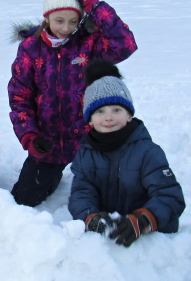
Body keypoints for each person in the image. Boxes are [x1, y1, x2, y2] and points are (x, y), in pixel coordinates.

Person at [8, 0, 137, 207]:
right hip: (47, 143)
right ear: (47, 16)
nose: (66, 28)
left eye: (73, 21)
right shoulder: (31, 48)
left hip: (88, 140)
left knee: (111, 200)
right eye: (59, 20)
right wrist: (30, 136)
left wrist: (95, 6)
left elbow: (125, 44)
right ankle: (52, 175)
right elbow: (19, 96)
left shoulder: (89, 43)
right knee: (24, 200)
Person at [68, 61, 184, 246]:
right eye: (100, 111)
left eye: (116, 110)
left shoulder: (147, 152)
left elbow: (169, 196)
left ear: (129, 115)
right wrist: (90, 217)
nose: (108, 117)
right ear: (89, 119)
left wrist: (143, 220)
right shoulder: (85, 155)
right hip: (109, 238)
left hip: (149, 239)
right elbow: (81, 193)